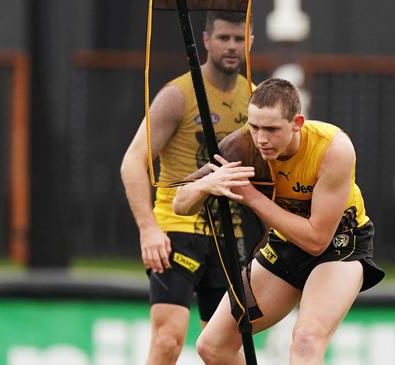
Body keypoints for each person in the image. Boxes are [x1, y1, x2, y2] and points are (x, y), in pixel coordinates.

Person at [173, 78, 385, 364]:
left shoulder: (333, 149)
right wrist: (206, 185)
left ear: (297, 122)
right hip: (285, 244)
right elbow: (180, 204)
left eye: (272, 129)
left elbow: (316, 240)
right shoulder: (241, 147)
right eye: (254, 126)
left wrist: (249, 195)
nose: (261, 139)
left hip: (339, 246)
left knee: (306, 341)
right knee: (213, 346)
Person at [120, 10, 253, 365]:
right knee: (167, 342)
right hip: (176, 228)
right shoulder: (178, 95)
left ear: (250, 42)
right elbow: (133, 161)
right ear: (206, 41)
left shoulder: (255, 100)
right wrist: (148, 230)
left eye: (239, 39)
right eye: (224, 38)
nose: (232, 46)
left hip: (228, 233)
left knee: (223, 348)